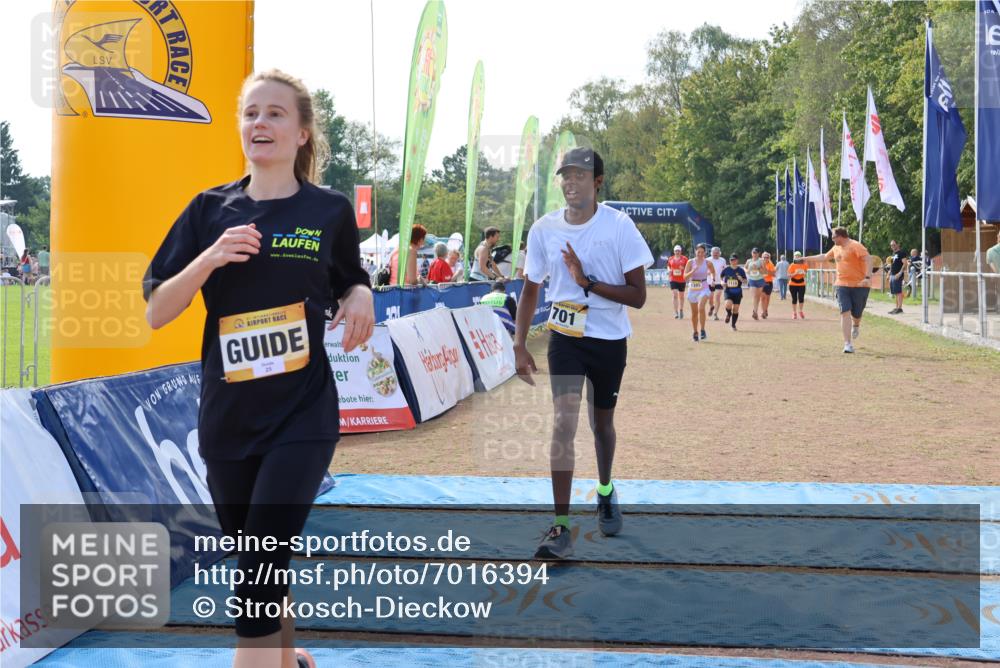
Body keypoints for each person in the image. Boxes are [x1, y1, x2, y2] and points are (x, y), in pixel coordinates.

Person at [142, 69, 374, 668]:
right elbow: (157, 311)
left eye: (275, 113)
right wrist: (210, 258)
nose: (260, 123)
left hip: (302, 414)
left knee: (257, 572)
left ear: (302, 133)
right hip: (228, 419)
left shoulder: (328, 210)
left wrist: (360, 295)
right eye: (251, 113)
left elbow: (349, 278)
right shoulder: (208, 209)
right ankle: (288, 656)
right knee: (258, 557)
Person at [513, 147, 652, 559]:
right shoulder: (544, 229)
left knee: (601, 425)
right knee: (564, 422)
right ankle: (561, 525)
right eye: (566, 175)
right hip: (565, 338)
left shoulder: (619, 226)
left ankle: (605, 490)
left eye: (580, 175)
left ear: (598, 182)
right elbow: (531, 289)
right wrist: (519, 344)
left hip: (609, 340)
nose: (571, 182)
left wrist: (586, 282)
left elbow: (638, 296)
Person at [803, 227, 872, 353]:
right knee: (845, 311)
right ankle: (847, 344)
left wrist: (867, 278)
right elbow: (824, 256)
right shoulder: (836, 248)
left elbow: (869, 259)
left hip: (860, 285)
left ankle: (856, 325)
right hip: (841, 284)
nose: (832, 239)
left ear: (841, 236)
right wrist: (806, 258)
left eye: (834, 237)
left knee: (857, 313)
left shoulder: (855, 246)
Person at [684, 243, 716, 342]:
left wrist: (713, 279)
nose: (700, 254)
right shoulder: (690, 262)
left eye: (702, 252)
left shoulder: (708, 263)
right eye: (698, 252)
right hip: (693, 288)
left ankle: (702, 330)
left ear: (705, 252)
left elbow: (713, 272)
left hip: (704, 286)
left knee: (701, 308)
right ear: (695, 252)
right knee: (694, 313)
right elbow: (685, 277)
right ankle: (695, 332)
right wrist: (692, 271)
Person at [720, 253, 747, 330]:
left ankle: (733, 325)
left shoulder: (741, 270)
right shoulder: (726, 269)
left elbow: (745, 281)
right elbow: (721, 278)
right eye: (731, 260)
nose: (733, 261)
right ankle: (729, 314)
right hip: (728, 290)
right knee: (728, 304)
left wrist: (741, 279)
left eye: (734, 260)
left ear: (737, 260)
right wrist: (722, 283)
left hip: (738, 291)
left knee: (735, 309)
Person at [667, 244, 688, 319]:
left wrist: (684, 268)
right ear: (674, 251)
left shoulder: (685, 259)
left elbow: (688, 267)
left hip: (682, 279)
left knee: (681, 296)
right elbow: (668, 266)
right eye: (676, 251)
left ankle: (681, 310)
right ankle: (676, 312)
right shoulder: (670, 258)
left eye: (678, 251)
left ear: (681, 251)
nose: (677, 252)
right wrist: (669, 270)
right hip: (673, 279)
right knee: (675, 294)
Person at [887, 240, 908, 314]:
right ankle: (897, 307)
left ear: (898, 245)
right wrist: (889, 273)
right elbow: (892, 265)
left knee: (898, 292)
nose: (892, 246)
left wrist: (900, 273)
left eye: (894, 245)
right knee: (896, 292)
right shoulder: (893, 254)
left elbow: (905, 263)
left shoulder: (901, 253)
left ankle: (900, 308)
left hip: (898, 275)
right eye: (891, 245)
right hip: (892, 275)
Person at [706, 246, 727, 320]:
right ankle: (712, 307)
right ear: (711, 253)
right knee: (710, 298)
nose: (715, 254)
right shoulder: (707, 260)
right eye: (714, 253)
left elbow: (725, 270)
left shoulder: (722, 260)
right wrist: (708, 273)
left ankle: (715, 314)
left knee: (717, 297)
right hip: (710, 281)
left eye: (717, 253)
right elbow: (704, 270)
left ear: (719, 253)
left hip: (719, 281)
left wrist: (724, 280)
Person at [745, 248, 765, 320]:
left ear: (758, 253)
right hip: (752, 280)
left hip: (760, 280)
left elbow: (764, 271)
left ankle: (755, 311)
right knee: (754, 296)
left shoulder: (761, 261)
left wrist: (758, 268)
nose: (754, 254)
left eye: (756, 253)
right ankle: (755, 312)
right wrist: (748, 271)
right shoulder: (749, 261)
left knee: (758, 297)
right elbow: (745, 268)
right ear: (751, 253)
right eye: (753, 253)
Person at [787, 251, 808, 319]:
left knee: (801, 298)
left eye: (799, 256)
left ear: (801, 257)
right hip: (793, 284)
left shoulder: (804, 265)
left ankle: (800, 311)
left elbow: (805, 273)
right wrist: (795, 273)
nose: (797, 257)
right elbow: (788, 275)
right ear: (794, 257)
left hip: (801, 284)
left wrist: (804, 273)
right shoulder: (792, 265)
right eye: (796, 256)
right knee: (794, 299)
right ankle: (794, 313)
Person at [759, 252, 776, 319]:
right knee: (763, 297)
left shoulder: (771, 264)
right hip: (761, 282)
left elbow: (773, 274)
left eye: (767, 257)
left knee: (767, 298)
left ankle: (765, 309)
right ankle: (763, 312)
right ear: (762, 258)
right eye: (764, 257)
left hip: (769, 282)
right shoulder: (759, 264)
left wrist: (767, 271)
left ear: (769, 258)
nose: (766, 258)